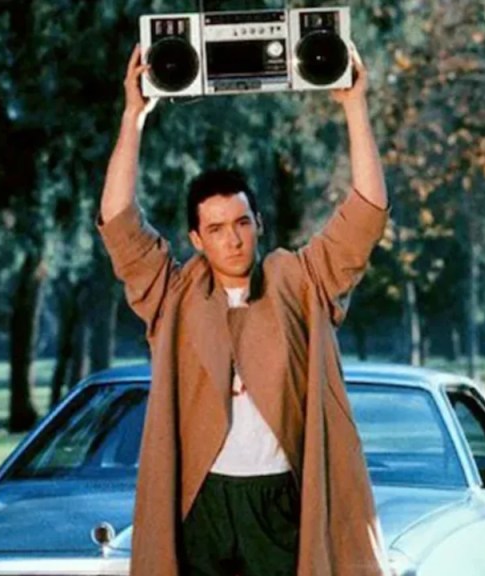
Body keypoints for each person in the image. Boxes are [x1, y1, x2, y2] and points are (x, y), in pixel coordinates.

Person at [97, 43, 390, 576]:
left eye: (242, 223)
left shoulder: (299, 279)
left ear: (258, 223)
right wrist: (132, 117)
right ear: (196, 238)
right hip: (202, 501)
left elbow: (366, 216)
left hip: (279, 499)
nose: (232, 240)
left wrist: (354, 106)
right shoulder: (174, 293)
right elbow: (119, 224)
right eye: (215, 229)